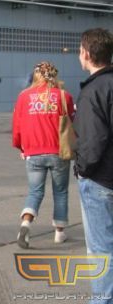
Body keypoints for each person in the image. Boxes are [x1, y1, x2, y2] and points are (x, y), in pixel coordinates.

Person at [12, 61, 73, 249]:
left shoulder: (24, 97)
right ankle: (59, 232)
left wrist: (21, 148)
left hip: (33, 152)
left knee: (35, 191)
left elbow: (17, 126)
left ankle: (25, 224)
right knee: (60, 192)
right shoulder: (64, 96)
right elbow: (73, 122)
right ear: (54, 75)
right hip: (59, 151)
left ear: (36, 75)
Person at [74, 28, 113, 303]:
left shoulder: (93, 91)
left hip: (101, 181)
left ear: (86, 54)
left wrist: (82, 169)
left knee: (101, 251)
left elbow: (92, 141)